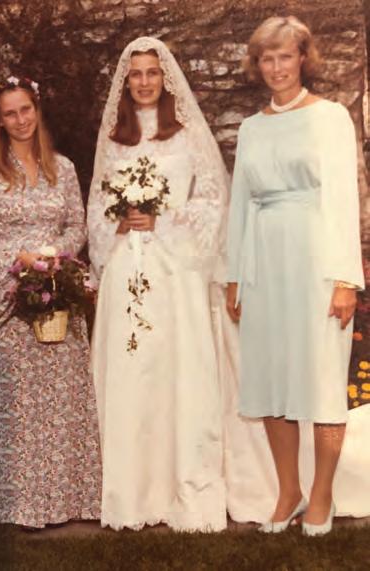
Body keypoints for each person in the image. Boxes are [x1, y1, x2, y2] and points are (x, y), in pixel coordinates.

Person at [226, 16, 369, 536]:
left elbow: (343, 198)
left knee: (321, 377)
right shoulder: (251, 127)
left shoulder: (330, 117)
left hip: (317, 261)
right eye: (267, 58)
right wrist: (234, 275)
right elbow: (241, 202)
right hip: (264, 262)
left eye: (285, 56)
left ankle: (322, 494)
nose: (276, 67)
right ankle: (289, 491)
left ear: (303, 59)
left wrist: (345, 279)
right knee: (271, 376)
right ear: (257, 64)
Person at [87, 37, 229, 531]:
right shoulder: (115, 139)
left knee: (175, 372)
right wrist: (119, 221)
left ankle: (181, 483)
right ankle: (130, 490)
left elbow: (213, 200)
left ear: (165, 79)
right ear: (125, 82)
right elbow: (96, 207)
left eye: (152, 72)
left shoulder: (187, 134)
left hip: (176, 269)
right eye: (136, 74)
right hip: (127, 265)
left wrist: (163, 217)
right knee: (132, 370)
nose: (144, 82)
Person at [0, 76, 101, 527]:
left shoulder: (64, 167)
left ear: (36, 110)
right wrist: (17, 260)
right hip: (7, 297)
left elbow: (78, 226)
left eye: (25, 110)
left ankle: (64, 500)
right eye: (10, 113)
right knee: (12, 402)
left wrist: (56, 258)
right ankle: (10, 504)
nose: (20, 120)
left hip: (57, 292)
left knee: (58, 399)